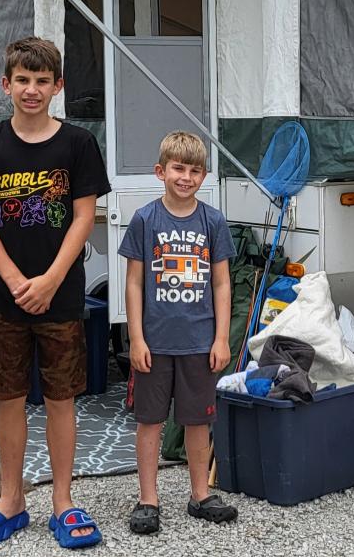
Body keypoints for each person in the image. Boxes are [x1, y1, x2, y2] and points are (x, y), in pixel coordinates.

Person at [0, 37, 111, 550]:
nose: (32, 89)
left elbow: (85, 217)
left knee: (62, 398)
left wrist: (48, 280)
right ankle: (11, 500)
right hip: (5, 297)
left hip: (60, 297)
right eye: (23, 80)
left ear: (57, 86)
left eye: (43, 81)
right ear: (6, 84)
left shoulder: (79, 145)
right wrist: (17, 279)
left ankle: (62, 502)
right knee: (9, 398)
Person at [119, 131, 238, 535]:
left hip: (199, 343)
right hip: (154, 343)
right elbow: (133, 283)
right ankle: (148, 499)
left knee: (197, 422)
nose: (186, 177)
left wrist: (221, 338)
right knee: (149, 421)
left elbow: (222, 284)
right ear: (161, 171)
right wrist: (136, 337)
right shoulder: (145, 220)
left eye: (194, 170)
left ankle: (200, 494)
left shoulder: (214, 221)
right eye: (178, 169)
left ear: (204, 175)